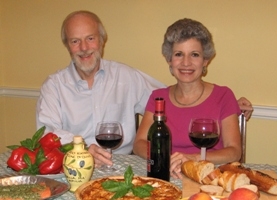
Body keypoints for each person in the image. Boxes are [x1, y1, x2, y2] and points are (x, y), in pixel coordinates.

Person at [36, 11, 253, 169]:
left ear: (101, 41)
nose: (84, 48)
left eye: (90, 38)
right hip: (73, 165)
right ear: (67, 45)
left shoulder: (126, 76)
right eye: (76, 41)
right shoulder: (54, 86)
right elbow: (46, 133)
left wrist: (232, 106)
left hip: (120, 166)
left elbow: (180, 90)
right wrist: (82, 147)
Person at [133, 18, 245, 179]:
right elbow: (139, 144)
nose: (186, 63)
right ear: (169, 60)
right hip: (166, 173)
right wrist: (165, 159)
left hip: (207, 177)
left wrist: (193, 159)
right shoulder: (159, 98)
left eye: (194, 54)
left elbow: (234, 151)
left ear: (205, 60)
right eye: (179, 54)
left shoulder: (224, 96)